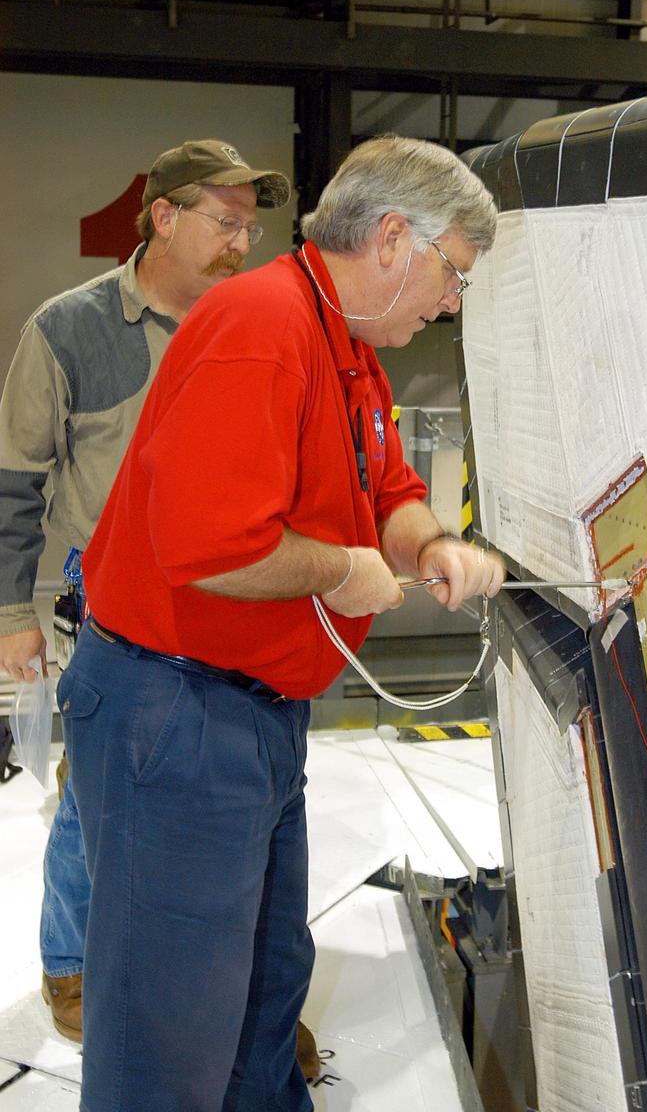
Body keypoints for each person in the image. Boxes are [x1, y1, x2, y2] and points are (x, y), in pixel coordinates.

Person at [58, 134, 504, 1111]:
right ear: (393, 238)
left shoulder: (347, 348)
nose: (449, 302)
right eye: (451, 274)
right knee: (165, 1028)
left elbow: (386, 479)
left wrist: (423, 542)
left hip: (251, 715)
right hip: (172, 712)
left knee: (260, 992)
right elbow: (212, 547)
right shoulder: (259, 325)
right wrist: (344, 570)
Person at [0, 138, 320, 1077]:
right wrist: (11, 613)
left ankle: (232, 1007)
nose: (242, 241)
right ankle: (73, 964)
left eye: (251, 226)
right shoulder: (70, 330)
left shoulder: (250, 322)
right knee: (98, 797)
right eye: (226, 222)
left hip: (230, 591)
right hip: (106, 598)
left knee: (231, 795)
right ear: (164, 217)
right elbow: (14, 482)